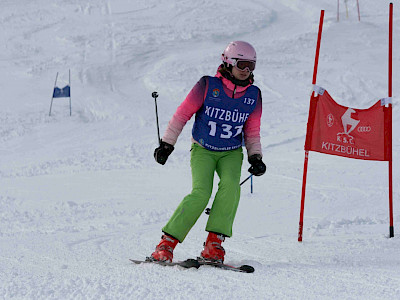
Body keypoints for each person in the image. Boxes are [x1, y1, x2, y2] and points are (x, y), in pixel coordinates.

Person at [149, 41, 266, 263]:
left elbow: (252, 130)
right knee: (201, 192)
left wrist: (255, 157)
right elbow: (182, 114)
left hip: (231, 152)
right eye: (242, 64)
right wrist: (167, 144)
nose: (246, 70)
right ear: (228, 62)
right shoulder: (207, 85)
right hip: (203, 148)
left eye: (251, 66)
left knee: (231, 188)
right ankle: (166, 244)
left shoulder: (254, 95)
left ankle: (214, 245)